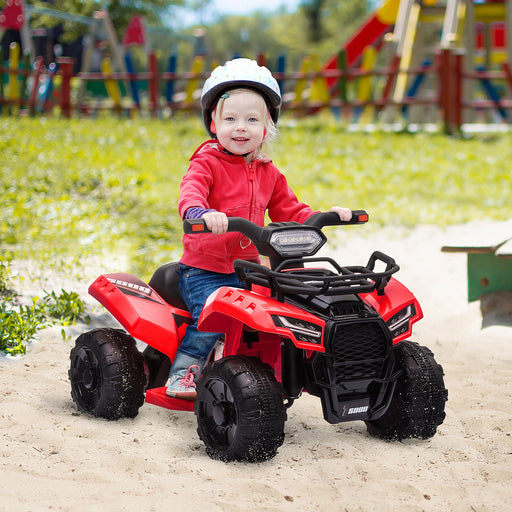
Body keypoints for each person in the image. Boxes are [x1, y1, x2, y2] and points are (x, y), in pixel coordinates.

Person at [167, 58, 351, 400]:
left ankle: (269, 374)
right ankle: (183, 373)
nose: (241, 128)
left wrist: (326, 215)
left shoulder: (269, 172)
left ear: (266, 127)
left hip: (249, 268)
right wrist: (200, 213)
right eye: (231, 119)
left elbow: (291, 209)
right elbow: (190, 192)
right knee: (212, 321)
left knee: (280, 317)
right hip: (204, 270)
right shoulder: (206, 163)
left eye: (252, 120)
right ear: (213, 123)